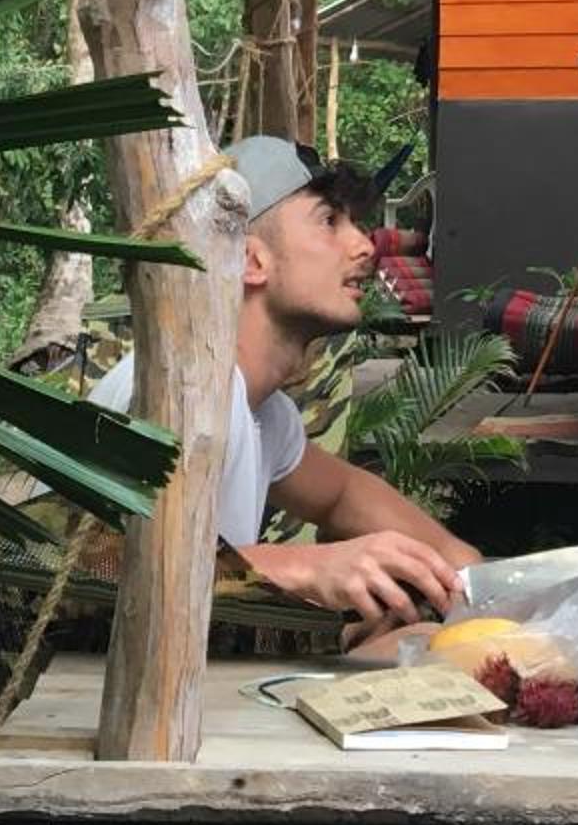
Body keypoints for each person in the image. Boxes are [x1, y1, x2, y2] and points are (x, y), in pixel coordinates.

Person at [91, 135, 481, 630]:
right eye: (329, 221)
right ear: (251, 260)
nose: (365, 246)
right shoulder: (182, 392)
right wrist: (306, 566)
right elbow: (112, 565)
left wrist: (471, 575)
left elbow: (342, 494)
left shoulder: (263, 411)